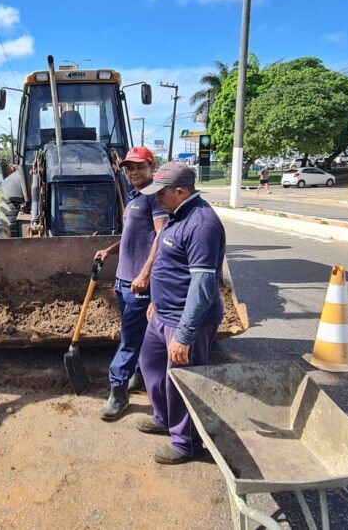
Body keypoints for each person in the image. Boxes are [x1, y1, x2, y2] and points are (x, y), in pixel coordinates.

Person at [137, 161, 226, 465]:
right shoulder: (177, 215)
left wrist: (185, 335)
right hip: (162, 314)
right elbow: (169, 264)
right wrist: (156, 301)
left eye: (161, 193)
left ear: (179, 191)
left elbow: (203, 286)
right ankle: (163, 417)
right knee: (149, 366)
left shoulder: (201, 224)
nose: (156, 198)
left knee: (182, 383)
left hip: (186, 322)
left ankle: (186, 444)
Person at [94, 147, 168, 421]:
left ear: (151, 166)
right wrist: (110, 251)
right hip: (123, 279)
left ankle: (118, 390)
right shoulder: (135, 197)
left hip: (138, 284)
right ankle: (138, 373)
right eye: (129, 168)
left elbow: (161, 236)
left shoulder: (154, 198)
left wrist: (145, 274)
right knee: (135, 333)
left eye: (139, 167)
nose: (133, 172)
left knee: (128, 338)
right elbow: (132, 235)